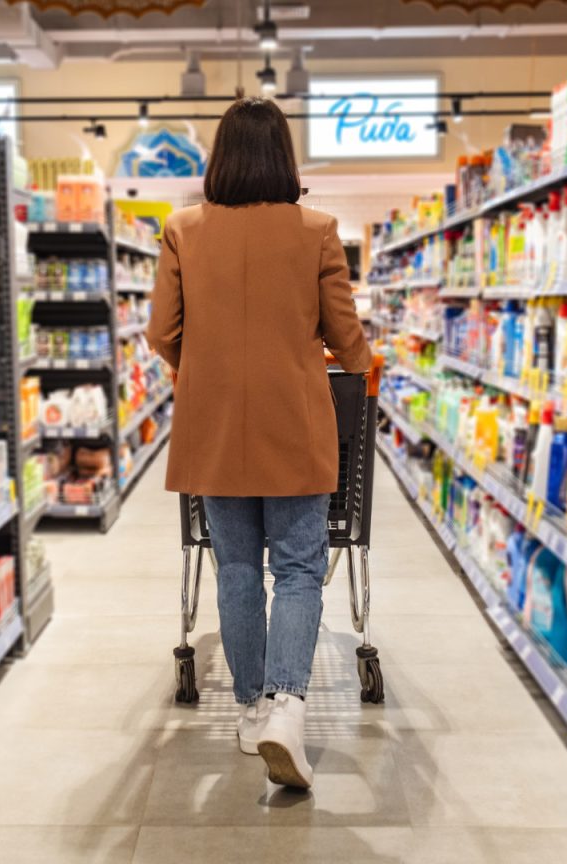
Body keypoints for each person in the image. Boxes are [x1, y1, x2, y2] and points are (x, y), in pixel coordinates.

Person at [146, 97, 372, 790]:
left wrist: (205, 359)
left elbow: (160, 332)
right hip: (295, 424)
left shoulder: (182, 230)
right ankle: (288, 705)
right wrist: (358, 365)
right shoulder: (318, 230)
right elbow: (344, 336)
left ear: (220, 156)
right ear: (283, 156)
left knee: (237, 569)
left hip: (212, 425)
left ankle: (249, 708)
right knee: (300, 570)